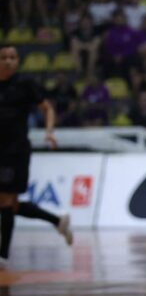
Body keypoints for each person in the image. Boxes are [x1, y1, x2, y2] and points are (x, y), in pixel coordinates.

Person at [0, 46, 72, 268]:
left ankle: (3, 255)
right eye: (4, 58)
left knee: (6, 200)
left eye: (13, 57)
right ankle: (57, 220)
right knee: (8, 205)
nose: (9, 61)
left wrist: (49, 132)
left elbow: (47, 108)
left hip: (15, 151)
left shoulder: (25, 84)